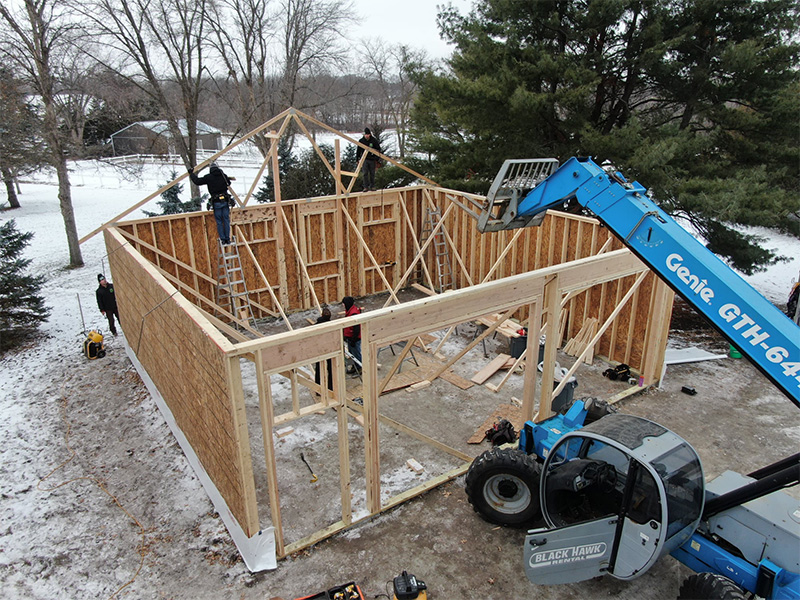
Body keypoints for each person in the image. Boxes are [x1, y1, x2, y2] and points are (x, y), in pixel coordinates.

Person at [189, 162, 235, 244]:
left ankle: (223, 240)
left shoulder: (209, 177)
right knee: (226, 220)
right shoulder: (223, 176)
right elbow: (229, 183)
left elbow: (197, 181)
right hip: (225, 200)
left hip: (216, 202)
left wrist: (191, 173)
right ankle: (227, 239)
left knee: (219, 222)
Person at [314, 306, 334, 394]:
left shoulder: (316, 326)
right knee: (331, 369)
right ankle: (331, 388)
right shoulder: (332, 325)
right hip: (330, 349)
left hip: (319, 350)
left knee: (319, 370)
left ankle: (318, 390)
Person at [356, 127, 382, 191]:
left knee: (372, 173)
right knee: (365, 173)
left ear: (370, 134)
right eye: (366, 135)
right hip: (364, 159)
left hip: (372, 159)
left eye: (368, 134)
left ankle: (372, 186)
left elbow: (378, 150)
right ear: (364, 135)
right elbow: (358, 151)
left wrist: (377, 159)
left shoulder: (373, 140)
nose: (367, 136)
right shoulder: (361, 141)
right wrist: (357, 159)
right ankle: (365, 187)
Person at [341, 296, 362, 374]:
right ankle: (355, 366)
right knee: (353, 354)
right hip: (350, 338)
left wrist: (354, 339)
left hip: (354, 339)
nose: (343, 305)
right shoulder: (350, 310)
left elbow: (357, 328)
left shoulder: (353, 313)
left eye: (344, 304)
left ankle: (359, 368)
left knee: (356, 354)